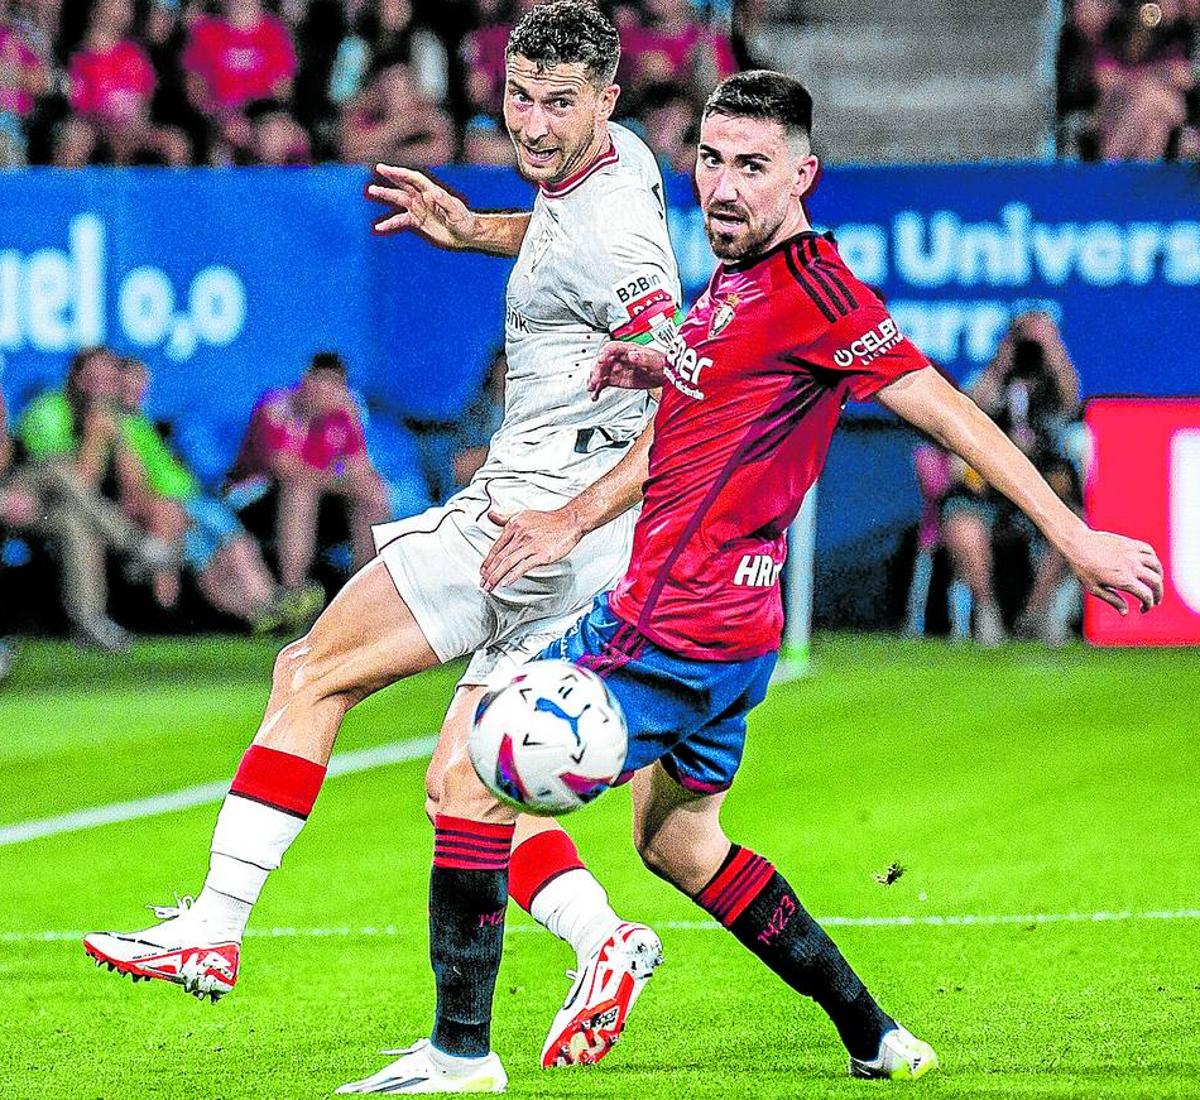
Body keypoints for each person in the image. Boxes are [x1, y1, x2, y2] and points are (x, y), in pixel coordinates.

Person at [353, 70, 1166, 1094]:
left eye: (752, 166)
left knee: (464, 779)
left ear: (803, 175)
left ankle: (460, 1052)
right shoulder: (725, 288)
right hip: (732, 634)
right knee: (681, 843)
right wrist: (568, 513)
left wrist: (1077, 534)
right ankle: (876, 1034)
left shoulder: (816, 293)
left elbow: (947, 410)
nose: (725, 187)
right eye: (711, 161)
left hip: (671, 621)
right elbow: (672, 441)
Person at [85, 0, 684, 1071]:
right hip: (574, 541)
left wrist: (569, 509)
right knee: (463, 787)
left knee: (311, 667)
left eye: (560, 104)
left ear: (606, 97)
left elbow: (683, 379)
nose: (535, 125)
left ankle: (214, 928)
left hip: (533, 520)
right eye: (519, 98)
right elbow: (562, 237)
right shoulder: (621, 163)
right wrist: (473, 229)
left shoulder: (623, 235)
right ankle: (597, 947)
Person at [113, 358, 324, 633]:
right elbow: (133, 486)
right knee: (235, 550)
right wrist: (162, 513)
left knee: (213, 570)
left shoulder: (140, 421)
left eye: (142, 382)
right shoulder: (118, 426)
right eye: (131, 382)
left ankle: (263, 615)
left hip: (188, 501)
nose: (138, 388)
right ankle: (271, 606)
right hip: (180, 505)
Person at [11, 347, 177, 650]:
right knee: (59, 470)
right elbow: (75, 479)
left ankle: (89, 621)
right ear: (76, 378)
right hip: (21, 494)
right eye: (94, 378)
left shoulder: (114, 417)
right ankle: (133, 543)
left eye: (108, 380)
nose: (101, 387)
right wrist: (96, 436)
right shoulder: (48, 409)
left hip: (57, 509)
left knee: (75, 523)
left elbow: (133, 485)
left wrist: (112, 437)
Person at [941, 312, 1085, 645]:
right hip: (988, 490)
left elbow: (1070, 398)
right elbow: (975, 405)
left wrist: (1051, 349)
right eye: (1024, 337)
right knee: (963, 526)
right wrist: (1003, 361)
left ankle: (1034, 614)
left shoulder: (1053, 383)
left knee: (1074, 524)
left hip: (1039, 489)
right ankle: (986, 610)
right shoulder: (990, 377)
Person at [230, 352, 390, 591]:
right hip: (255, 500)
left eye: (334, 386)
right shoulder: (276, 407)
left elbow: (361, 469)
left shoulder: (343, 412)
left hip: (318, 495)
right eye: (320, 382)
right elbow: (284, 468)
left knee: (374, 493)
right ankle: (294, 592)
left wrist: (353, 421)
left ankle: (362, 589)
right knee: (301, 490)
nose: (325, 392)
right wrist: (337, 480)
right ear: (306, 380)